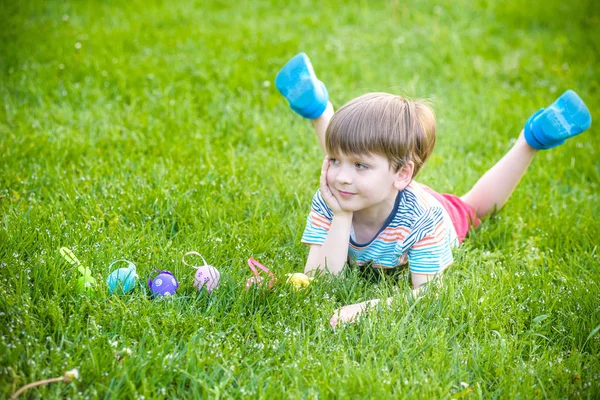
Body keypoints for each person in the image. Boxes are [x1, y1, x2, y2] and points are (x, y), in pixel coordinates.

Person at [275, 52, 592, 328]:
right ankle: (318, 109)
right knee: (350, 166)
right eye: (333, 160)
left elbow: (429, 294)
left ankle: (532, 138)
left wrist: (369, 308)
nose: (340, 176)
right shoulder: (332, 195)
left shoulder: (426, 219)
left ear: (402, 174)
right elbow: (321, 282)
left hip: (437, 212)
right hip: (378, 193)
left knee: (473, 207)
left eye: (360, 165)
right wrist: (341, 216)